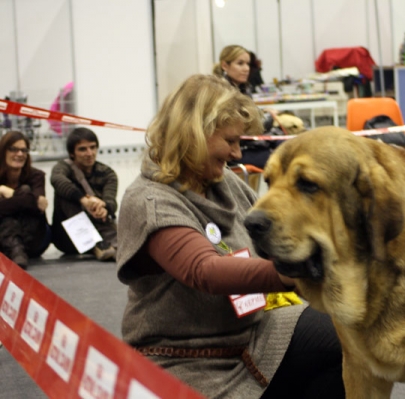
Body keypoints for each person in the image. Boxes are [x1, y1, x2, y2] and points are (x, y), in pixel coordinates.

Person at [116, 74, 345, 399]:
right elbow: (204, 270)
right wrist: (292, 271)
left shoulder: (227, 183)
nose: (238, 153)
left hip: (255, 335)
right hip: (185, 359)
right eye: (230, 141)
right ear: (195, 134)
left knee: (345, 335)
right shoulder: (150, 201)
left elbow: (272, 237)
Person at [50, 127, 118, 260]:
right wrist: (84, 200)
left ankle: (101, 245)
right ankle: (95, 243)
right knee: (64, 193)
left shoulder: (107, 173)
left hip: (99, 226)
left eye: (93, 147)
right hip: (67, 236)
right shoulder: (63, 167)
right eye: (82, 149)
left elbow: (111, 200)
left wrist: (102, 207)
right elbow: (57, 180)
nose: (89, 153)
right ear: (72, 153)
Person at [0, 131, 51, 268]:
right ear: (3, 151)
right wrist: (28, 201)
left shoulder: (36, 176)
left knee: (25, 190)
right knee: (12, 213)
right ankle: (16, 249)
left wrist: (7, 192)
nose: (20, 154)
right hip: (3, 242)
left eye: (24, 150)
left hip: (34, 239)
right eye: (13, 149)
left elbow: (36, 205)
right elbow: (32, 201)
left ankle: (16, 250)